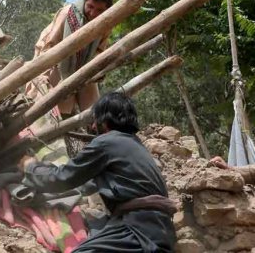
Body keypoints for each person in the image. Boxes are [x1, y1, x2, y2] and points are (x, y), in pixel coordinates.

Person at [20, 92, 177, 252]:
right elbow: (86, 185)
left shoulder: (107, 143)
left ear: (106, 120)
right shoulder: (134, 146)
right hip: (160, 230)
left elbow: (63, 178)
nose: (93, 126)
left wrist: (30, 167)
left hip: (137, 229)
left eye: (96, 120)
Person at [25, 0, 118, 118]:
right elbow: (50, 44)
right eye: (90, 7)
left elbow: (99, 50)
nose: (93, 13)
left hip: (83, 64)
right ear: (85, 0)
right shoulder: (67, 14)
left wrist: (96, 69)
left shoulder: (106, 24)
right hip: (54, 59)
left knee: (94, 109)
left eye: (99, 10)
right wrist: (43, 76)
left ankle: (91, 127)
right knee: (48, 100)